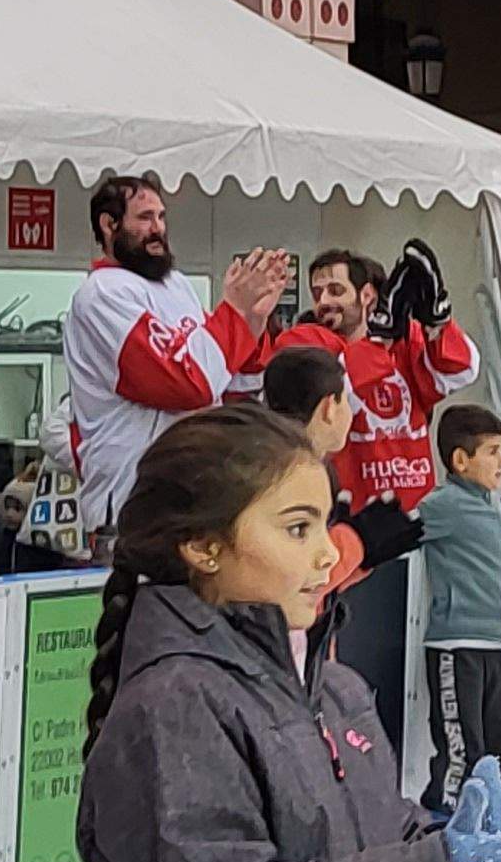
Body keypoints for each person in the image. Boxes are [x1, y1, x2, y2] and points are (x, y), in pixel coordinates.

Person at [78, 405, 501, 862]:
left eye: (326, 524)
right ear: (203, 545)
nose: (329, 554)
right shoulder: (174, 707)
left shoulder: (337, 692)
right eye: (298, 529)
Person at [63, 175, 292, 539]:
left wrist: (254, 319)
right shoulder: (101, 295)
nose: (158, 229)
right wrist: (232, 310)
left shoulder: (177, 285)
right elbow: (187, 385)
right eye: (144, 218)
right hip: (131, 502)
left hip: (194, 493)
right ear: (109, 225)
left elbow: (232, 385)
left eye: (161, 217)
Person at [269, 244, 477, 517]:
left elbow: (460, 373)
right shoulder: (302, 343)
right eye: (317, 293)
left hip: (415, 514)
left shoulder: (406, 338)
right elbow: (335, 392)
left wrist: (437, 324)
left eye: (336, 290)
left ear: (366, 294)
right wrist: (380, 338)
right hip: (347, 518)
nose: (323, 302)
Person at [417, 404, 501, 819]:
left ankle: (495, 819)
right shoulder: (444, 503)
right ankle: (443, 827)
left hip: (493, 642)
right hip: (455, 644)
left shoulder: (489, 503)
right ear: (461, 461)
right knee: (463, 752)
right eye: (493, 451)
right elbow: (408, 527)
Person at [259, 345, 421, 591]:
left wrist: (362, 558)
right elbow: (294, 585)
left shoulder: (266, 464)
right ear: (329, 408)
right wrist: (355, 541)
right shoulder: (290, 477)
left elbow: (317, 598)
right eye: (347, 399)